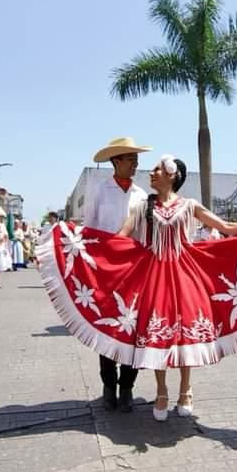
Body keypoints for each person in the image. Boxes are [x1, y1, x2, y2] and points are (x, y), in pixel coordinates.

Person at [40, 154, 237, 422]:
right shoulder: (141, 205)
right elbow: (118, 241)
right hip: (152, 277)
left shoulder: (190, 205)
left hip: (185, 275)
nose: (152, 172)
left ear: (172, 175)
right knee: (157, 333)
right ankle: (161, 391)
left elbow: (226, 228)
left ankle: (186, 389)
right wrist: (80, 243)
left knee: (185, 334)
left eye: (158, 169)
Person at [81, 137, 152, 412]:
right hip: (105, 270)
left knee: (133, 329)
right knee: (107, 328)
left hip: (135, 270)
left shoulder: (142, 195)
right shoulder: (99, 191)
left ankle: (128, 387)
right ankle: (108, 385)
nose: (136, 164)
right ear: (116, 161)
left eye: (137, 159)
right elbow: (88, 229)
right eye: (131, 159)